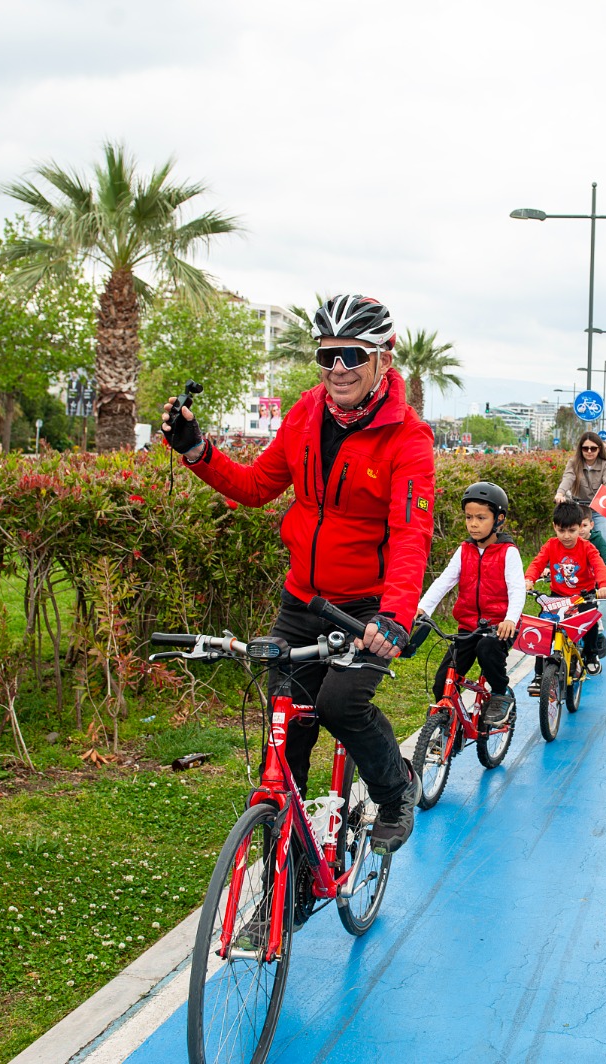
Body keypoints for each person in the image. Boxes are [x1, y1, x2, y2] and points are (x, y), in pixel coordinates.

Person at [161, 293, 430, 854]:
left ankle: (395, 787)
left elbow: (410, 535)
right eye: (326, 356)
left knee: (338, 705)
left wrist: (395, 617)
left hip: (366, 611)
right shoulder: (305, 413)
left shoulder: (408, 438)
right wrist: (195, 450)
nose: (337, 369)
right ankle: (286, 879)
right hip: (302, 602)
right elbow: (257, 486)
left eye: (352, 355)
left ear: (384, 357)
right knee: (284, 739)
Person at [415, 482, 524, 724]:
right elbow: (445, 581)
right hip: (467, 628)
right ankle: (448, 725)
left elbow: (517, 590)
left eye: (481, 517)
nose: (473, 523)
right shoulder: (464, 550)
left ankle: (500, 695)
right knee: (443, 680)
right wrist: (423, 608)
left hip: (497, 628)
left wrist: (510, 619)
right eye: (468, 517)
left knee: (487, 650)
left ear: (499, 519)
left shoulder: (508, 552)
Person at [525, 501, 606, 688]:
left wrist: (604, 585)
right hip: (558, 596)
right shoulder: (551, 545)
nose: (566, 536)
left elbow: (599, 566)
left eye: (571, 531)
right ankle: (540, 675)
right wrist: (529, 579)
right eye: (561, 530)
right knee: (544, 628)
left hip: (584, 595)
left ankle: (590, 654)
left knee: (589, 621)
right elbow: (537, 563)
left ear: (581, 526)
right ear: (554, 527)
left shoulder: (587, 547)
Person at [556, 431, 606, 561]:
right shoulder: (574, 463)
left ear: (599, 449)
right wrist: (560, 493)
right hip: (578, 508)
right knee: (568, 538)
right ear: (581, 449)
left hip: (599, 508)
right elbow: (568, 478)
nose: (589, 451)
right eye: (585, 448)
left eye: (593, 448)